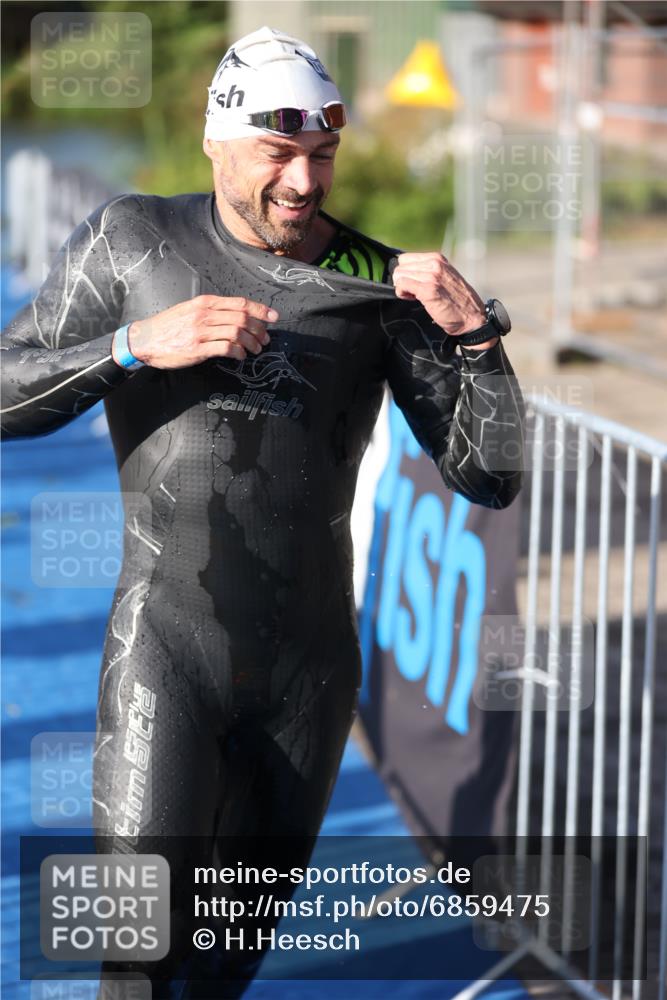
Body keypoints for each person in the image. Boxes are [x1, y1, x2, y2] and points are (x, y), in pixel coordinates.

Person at [1, 26, 524, 1000]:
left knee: (222, 965)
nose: (301, 181)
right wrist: (128, 345)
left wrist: (480, 346)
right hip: (166, 654)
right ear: (215, 140)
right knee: (138, 960)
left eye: (321, 156)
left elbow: (489, 477)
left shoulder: (373, 283)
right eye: (277, 153)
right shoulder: (133, 238)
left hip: (306, 676)